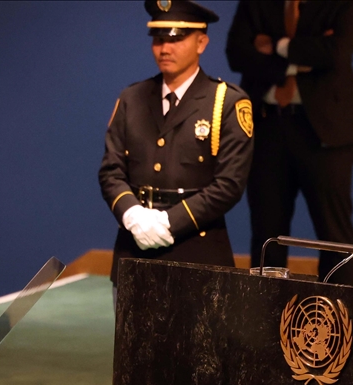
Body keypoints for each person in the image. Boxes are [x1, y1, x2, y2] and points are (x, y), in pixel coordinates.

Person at [98, 0, 254, 292]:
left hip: (198, 253)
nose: (165, 49)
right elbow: (111, 171)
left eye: (176, 39)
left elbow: (229, 185)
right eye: (158, 40)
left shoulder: (226, 102)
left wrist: (169, 222)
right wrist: (132, 215)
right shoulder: (132, 98)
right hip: (134, 253)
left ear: (201, 43)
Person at [225, 0, 353, 285]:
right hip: (267, 126)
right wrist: (301, 59)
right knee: (266, 232)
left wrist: (277, 46)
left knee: (335, 235)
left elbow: (336, 52)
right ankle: (264, 308)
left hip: (325, 132)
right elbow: (237, 53)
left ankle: (340, 308)